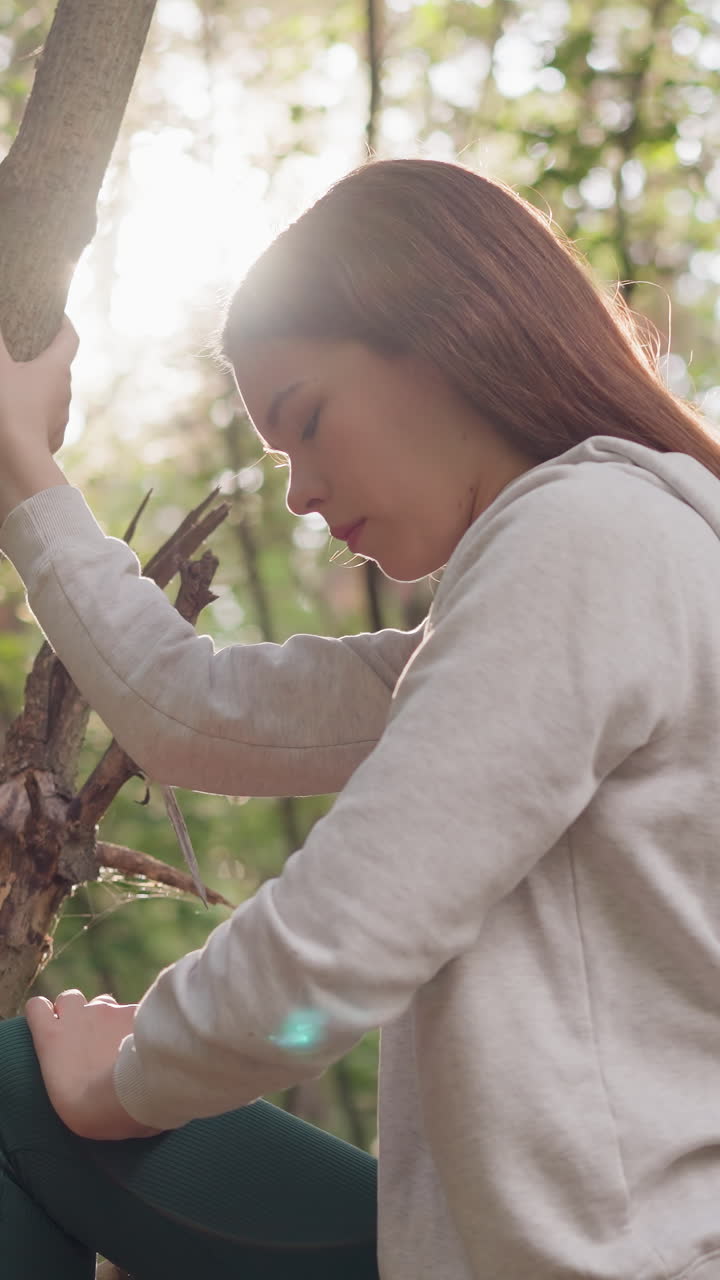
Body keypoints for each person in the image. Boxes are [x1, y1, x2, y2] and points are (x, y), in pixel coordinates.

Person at [1, 157, 720, 1280]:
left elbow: (338, 945)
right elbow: (199, 710)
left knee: (16, 1092)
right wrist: (23, 472)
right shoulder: (596, 565)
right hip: (507, 1246)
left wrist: (126, 1073)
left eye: (309, 419)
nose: (297, 491)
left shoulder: (587, 540)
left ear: (450, 336)